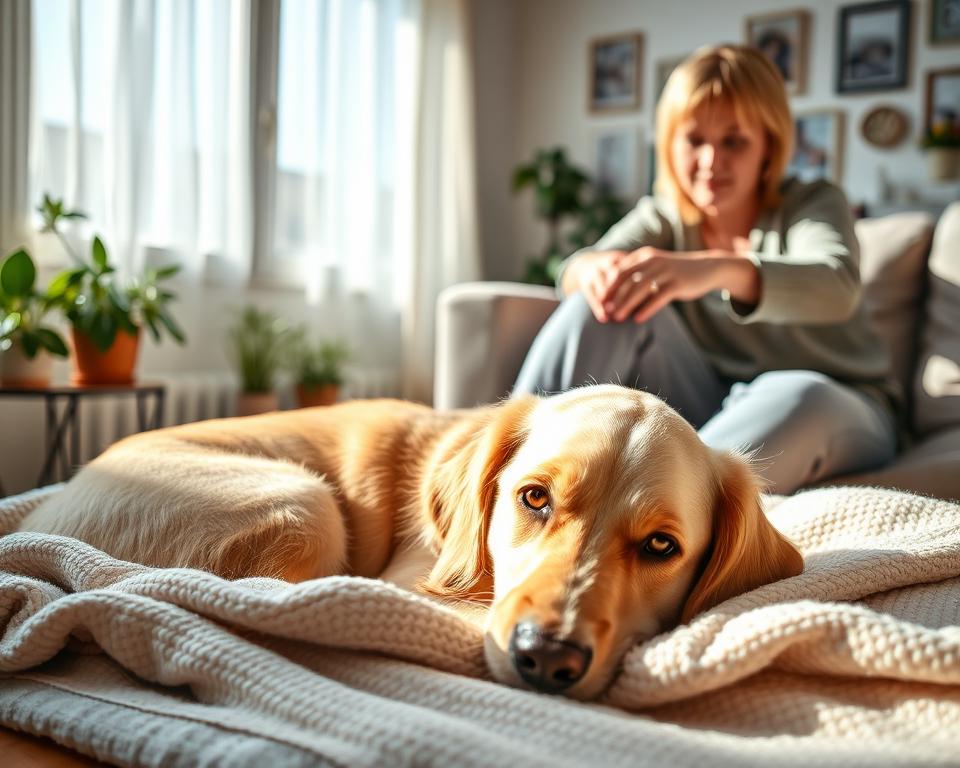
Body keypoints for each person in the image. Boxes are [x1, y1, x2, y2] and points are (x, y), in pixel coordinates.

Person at [513, 44, 898, 494]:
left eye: (734, 141)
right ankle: (509, 476)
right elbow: (575, 273)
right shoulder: (664, 216)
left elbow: (836, 286)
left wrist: (713, 269)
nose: (711, 162)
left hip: (838, 404)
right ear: (670, 145)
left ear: (768, 147)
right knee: (602, 304)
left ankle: (660, 512)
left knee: (799, 394)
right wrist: (592, 269)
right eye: (695, 140)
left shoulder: (811, 202)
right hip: (711, 405)